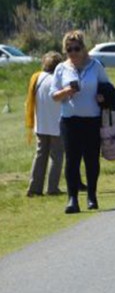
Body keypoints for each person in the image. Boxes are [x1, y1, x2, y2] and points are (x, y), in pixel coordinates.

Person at [51, 30, 111, 214]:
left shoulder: (95, 66)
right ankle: (72, 199)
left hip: (92, 120)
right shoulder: (61, 68)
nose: (73, 53)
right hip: (70, 121)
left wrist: (103, 97)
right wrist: (67, 91)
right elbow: (54, 95)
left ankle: (91, 196)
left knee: (91, 159)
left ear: (84, 48)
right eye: (69, 50)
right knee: (72, 160)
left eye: (77, 48)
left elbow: (107, 88)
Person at [25, 51, 65, 197]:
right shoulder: (58, 80)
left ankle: (34, 187)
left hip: (40, 124)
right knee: (57, 156)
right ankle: (52, 187)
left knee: (40, 155)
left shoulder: (38, 78)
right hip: (56, 124)